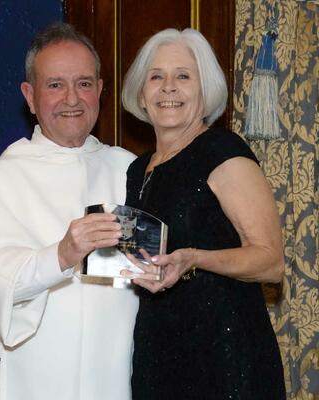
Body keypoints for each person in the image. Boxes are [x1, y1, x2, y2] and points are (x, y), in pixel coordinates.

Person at [0, 23, 138, 400]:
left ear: (101, 90)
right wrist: (62, 254)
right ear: (30, 96)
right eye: (55, 84)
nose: (72, 98)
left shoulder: (132, 171)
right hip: (21, 383)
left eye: (84, 83)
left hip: (113, 381)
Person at [121, 28, 286, 399]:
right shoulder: (138, 170)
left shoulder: (222, 150)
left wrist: (195, 258)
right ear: (142, 93)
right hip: (159, 353)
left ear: (204, 88)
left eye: (183, 76)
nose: (168, 88)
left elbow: (270, 261)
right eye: (156, 76)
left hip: (225, 358)